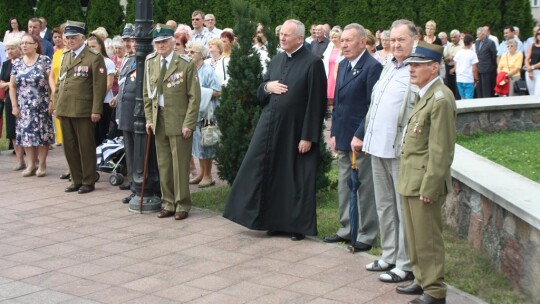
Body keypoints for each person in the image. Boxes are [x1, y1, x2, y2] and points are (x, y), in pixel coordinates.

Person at [223, 19, 327, 241]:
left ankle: (296, 226)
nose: (282, 38)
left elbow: (316, 103)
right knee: (267, 171)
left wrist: (308, 136)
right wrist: (267, 87)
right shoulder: (277, 59)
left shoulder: (313, 63)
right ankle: (272, 221)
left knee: (294, 177)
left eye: (287, 35)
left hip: (296, 130)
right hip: (270, 126)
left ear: (300, 38)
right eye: (281, 34)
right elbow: (261, 91)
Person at [395, 41, 456, 304]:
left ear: (434, 68)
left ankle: (434, 290)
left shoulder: (440, 99)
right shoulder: (425, 94)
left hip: (425, 182)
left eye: (417, 65)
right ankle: (421, 280)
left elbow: (441, 150)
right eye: (410, 64)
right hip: (412, 178)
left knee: (428, 238)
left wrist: (431, 186)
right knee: (416, 235)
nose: (411, 69)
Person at [362, 19, 417, 284]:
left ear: (413, 40)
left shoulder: (416, 70)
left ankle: (405, 264)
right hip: (377, 148)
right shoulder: (388, 67)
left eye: (401, 40)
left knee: (401, 207)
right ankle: (390, 254)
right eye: (393, 40)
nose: (395, 44)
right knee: (384, 205)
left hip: (399, 151)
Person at [323, 23, 382, 251]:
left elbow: (371, 106)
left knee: (364, 186)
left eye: (349, 41)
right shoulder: (343, 64)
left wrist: (360, 134)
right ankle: (347, 229)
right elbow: (338, 103)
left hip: (361, 138)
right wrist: (335, 132)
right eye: (343, 41)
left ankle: (366, 234)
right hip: (344, 134)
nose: (344, 44)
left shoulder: (372, 67)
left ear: (361, 42)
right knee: (345, 185)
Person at [143, 24, 201, 220]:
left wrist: (189, 123)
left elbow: (194, 96)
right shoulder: (150, 62)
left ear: (172, 43)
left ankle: (182, 204)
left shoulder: (185, 63)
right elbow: (146, 94)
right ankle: (167, 202)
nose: (160, 46)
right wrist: (149, 119)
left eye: (164, 42)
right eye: (157, 43)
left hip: (178, 119)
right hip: (159, 118)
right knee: (164, 164)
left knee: (179, 165)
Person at [53, 20, 107, 194]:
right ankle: (76, 179)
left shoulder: (94, 56)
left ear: (82, 38)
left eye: (73, 37)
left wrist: (96, 110)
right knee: (69, 146)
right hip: (65, 106)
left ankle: (88, 180)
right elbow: (61, 82)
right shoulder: (65, 55)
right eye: (67, 38)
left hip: (83, 109)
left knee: (86, 146)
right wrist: (56, 103)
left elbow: (99, 86)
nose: (70, 41)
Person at [9, 34, 54, 177]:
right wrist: (15, 106)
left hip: (41, 105)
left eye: (27, 43)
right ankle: (30, 164)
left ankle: (42, 164)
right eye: (22, 43)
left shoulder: (44, 60)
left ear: (36, 45)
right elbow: (12, 86)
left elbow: (52, 83)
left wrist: (52, 101)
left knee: (42, 136)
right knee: (27, 136)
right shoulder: (17, 63)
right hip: (24, 107)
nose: (24, 45)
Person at [187, 42, 221, 188]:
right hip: (194, 112)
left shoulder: (208, 71)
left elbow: (218, 91)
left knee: (206, 144)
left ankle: (208, 175)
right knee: (197, 145)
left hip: (207, 114)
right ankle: (201, 173)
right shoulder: (190, 70)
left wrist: (201, 91)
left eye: (192, 52)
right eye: (188, 52)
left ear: (201, 54)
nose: (189, 54)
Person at [113, 24, 138, 201]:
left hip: (136, 113)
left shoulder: (142, 59)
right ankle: (132, 180)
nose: (128, 43)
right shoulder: (128, 59)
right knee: (129, 150)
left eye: (131, 40)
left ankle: (138, 185)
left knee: (137, 151)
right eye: (126, 40)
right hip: (124, 111)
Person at [0, 39, 25, 170]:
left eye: (12, 48)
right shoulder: (5, 64)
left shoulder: (24, 62)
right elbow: (1, 82)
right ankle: (20, 160)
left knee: (26, 129)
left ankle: (34, 159)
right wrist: (9, 84)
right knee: (12, 131)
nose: (9, 51)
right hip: (10, 99)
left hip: (24, 98)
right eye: (7, 49)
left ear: (19, 49)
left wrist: (8, 84)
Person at [87, 35, 116, 146]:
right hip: (90, 101)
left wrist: (97, 99)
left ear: (100, 46)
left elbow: (109, 84)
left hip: (104, 102)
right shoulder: (88, 61)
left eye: (94, 46)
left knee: (102, 132)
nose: (91, 49)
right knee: (91, 134)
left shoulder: (107, 62)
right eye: (89, 46)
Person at [322, 29, 343, 115]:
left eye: (335, 37)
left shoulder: (342, 47)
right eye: (332, 37)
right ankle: (331, 117)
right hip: (329, 74)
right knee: (329, 98)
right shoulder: (330, 46)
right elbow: (324, 58)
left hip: (339, 74)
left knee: (337, 97)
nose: (333, 39)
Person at [453, 34, 479, 100]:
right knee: (469, 98)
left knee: (462, 98)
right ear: (471, 42)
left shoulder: (458, 52)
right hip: (468, 79)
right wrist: (476, 79)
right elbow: (474, 69)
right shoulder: (472, 54)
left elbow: (455, 65)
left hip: (459, 78)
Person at [475, 27, 497, 98]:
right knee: (479, 88)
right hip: (479, 67)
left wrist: (491, 66)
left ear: (483, 34)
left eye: (478, 34)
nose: (477, 36)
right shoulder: (477, 42)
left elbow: (494, 55)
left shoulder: (490, 42)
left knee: (486, 88)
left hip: (487, 68)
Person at [443, 30, 463, 99]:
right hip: (449, 67)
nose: (453, 39)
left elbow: (462, 59)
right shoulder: (449, 45)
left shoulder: (463, 45)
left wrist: (454, 68)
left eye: (455, 37)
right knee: (449, 86)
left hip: (459, 68)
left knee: (457, 87)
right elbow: (444, 58)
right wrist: (447, 58)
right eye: (451, 37)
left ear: (459, 37)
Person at [524, 29, 540, 96]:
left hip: (538, 72)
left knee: (537, 93)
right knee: (531, 93)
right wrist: (529, 70)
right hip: (530, 72)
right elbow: (527, 59)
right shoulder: (532, 45)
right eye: (538, 33)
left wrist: (532, 67)